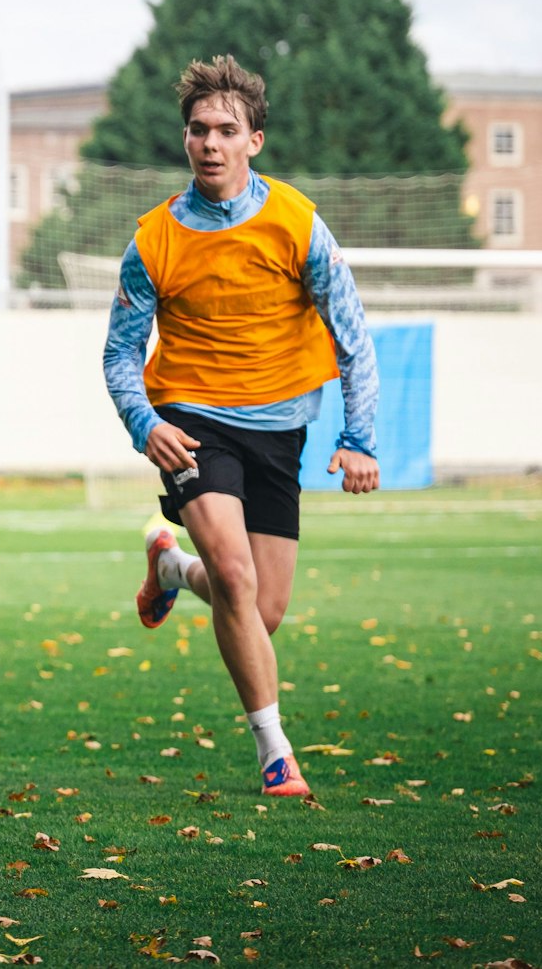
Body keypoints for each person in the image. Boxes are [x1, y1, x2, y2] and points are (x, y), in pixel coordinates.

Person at [103, 54, 380, 799]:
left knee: (261, 608)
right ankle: (276, 751)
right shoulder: (154, 240)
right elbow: (121, 353)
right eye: (198, 130)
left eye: (227, 129)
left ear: (255, 139)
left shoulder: (297, 223)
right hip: (192, 422)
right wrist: (143, 423)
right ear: (186, 139)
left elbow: (353, 335)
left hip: (279, 431)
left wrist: (360, 437)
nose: (210, 143)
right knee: (233, 572)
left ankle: (169, 567)